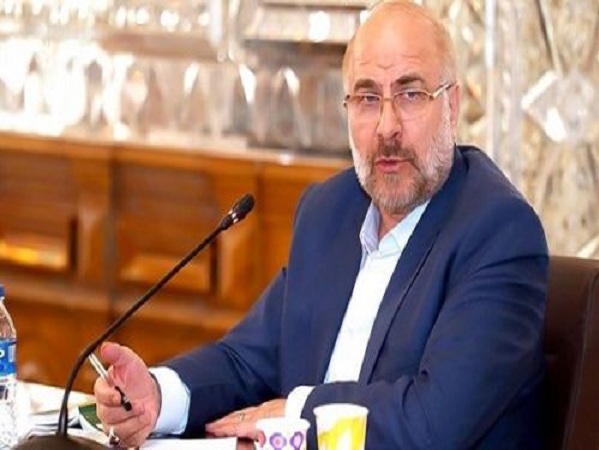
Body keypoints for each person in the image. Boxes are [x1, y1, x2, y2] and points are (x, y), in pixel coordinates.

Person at [94, 1, 549, 449]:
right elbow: (248, 359)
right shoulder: (329, 211)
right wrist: (158, 396)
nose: (387, 127)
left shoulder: (498, 232)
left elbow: (433, 422)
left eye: (410, 95)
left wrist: (296, 413)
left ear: (451, 105)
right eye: (367, 99)